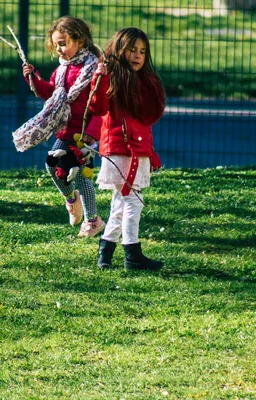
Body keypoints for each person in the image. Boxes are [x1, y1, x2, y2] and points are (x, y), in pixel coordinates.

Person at [89, 27, 165, 271]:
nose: (138, 55)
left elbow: (143, 125)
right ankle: (132, 253)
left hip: (137, 148)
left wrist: (150, 153)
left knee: (121, 203)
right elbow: (98, 107)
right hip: (122, 149)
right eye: (132, 49)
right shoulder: (111, 77)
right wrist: (98, 79)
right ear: (120, 49)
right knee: (134, 202)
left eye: (143, 51)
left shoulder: (143, 83)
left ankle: (105, 252)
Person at [22, 16, 105, 237]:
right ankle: (71, 199)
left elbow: (100, 106)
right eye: (56, 44)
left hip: (84, 135)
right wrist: (35, 80)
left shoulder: (93, 69)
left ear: (79, 41)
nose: (59, 49)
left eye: (63, 43)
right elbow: (51, 95)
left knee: (80, 176)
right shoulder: (61, 70)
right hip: (66, 130)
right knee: (51, 164)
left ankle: (93, 220)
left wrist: (92, 133)